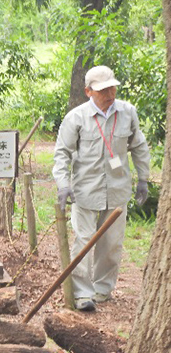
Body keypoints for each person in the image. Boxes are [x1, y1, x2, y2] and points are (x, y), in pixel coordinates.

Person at [53, 65, 150, 312]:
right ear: (88, 91)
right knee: (83, 242)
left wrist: (143, 179)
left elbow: (138, 146)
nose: (109, 94)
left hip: (117, 190)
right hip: (85, 190)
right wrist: (63, 185)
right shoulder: (76, 118)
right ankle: (83, 294)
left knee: (112, 243)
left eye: (112, 88)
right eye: (102, 90)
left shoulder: (127, 112)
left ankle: (102, 289)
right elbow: (62, 153)